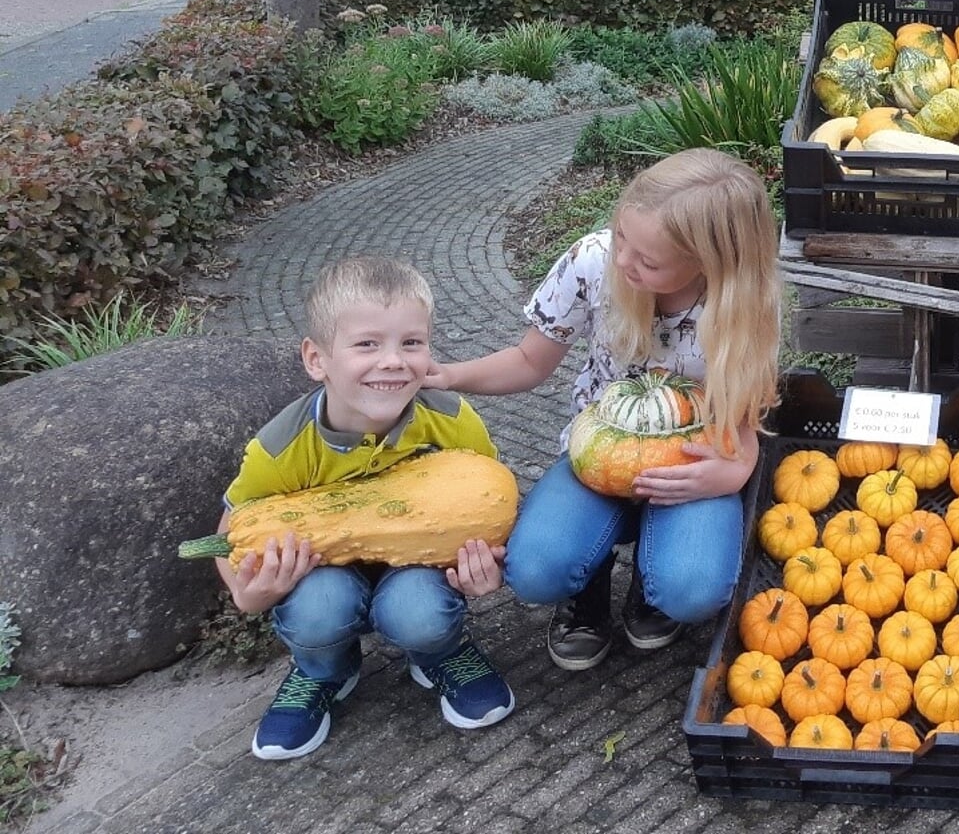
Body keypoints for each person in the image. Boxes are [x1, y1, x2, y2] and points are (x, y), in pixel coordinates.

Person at [428, 148, 782, 670]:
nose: (622, 261)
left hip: (688, 461)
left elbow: (745, 412)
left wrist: (737, 468)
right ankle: (586, 590)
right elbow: (529, 360)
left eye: (647, 260)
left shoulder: (743, 302)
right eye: (622, 238)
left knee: (690, 590)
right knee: (534, 571)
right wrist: (449, 376)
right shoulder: (592, 261)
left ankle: (652, 581)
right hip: (599, 455)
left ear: (708, 261)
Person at [212, 256, 516, 761]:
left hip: (419, 568)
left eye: (411, 343)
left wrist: (487, 565)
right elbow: (232, 529)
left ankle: (438, 652)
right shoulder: (282, 446)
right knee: (318, 609)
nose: (394, 361)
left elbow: (487, 501)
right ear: (317, 359)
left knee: (418, 611)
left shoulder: (453, 420)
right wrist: (245, 595)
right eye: (367, 344)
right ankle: (322, 669)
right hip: (322, 573)